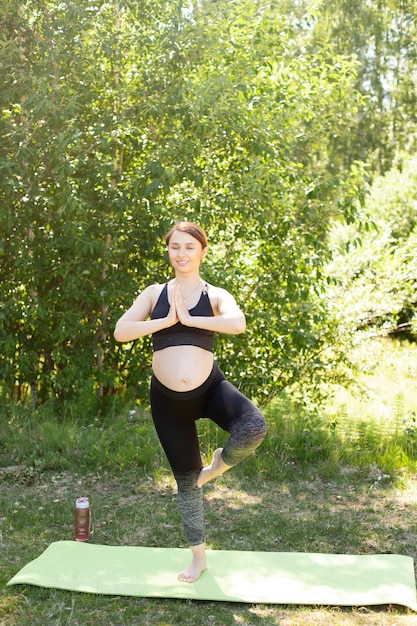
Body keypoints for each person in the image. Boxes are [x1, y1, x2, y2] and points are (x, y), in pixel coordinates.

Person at [114, 221, 266, 583]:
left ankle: (216, 467)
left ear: (202, 251)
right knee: (187, 483)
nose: (181, 254)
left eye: (189, 247)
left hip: (209, 388)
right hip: (168, 402)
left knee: (254, 427)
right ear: (168, 251)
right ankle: (198, 558)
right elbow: (121, 331)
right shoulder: (154, 293)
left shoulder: (215, 294)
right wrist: (164, 320)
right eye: (174, 247)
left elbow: (238, 322)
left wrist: (192, 318)